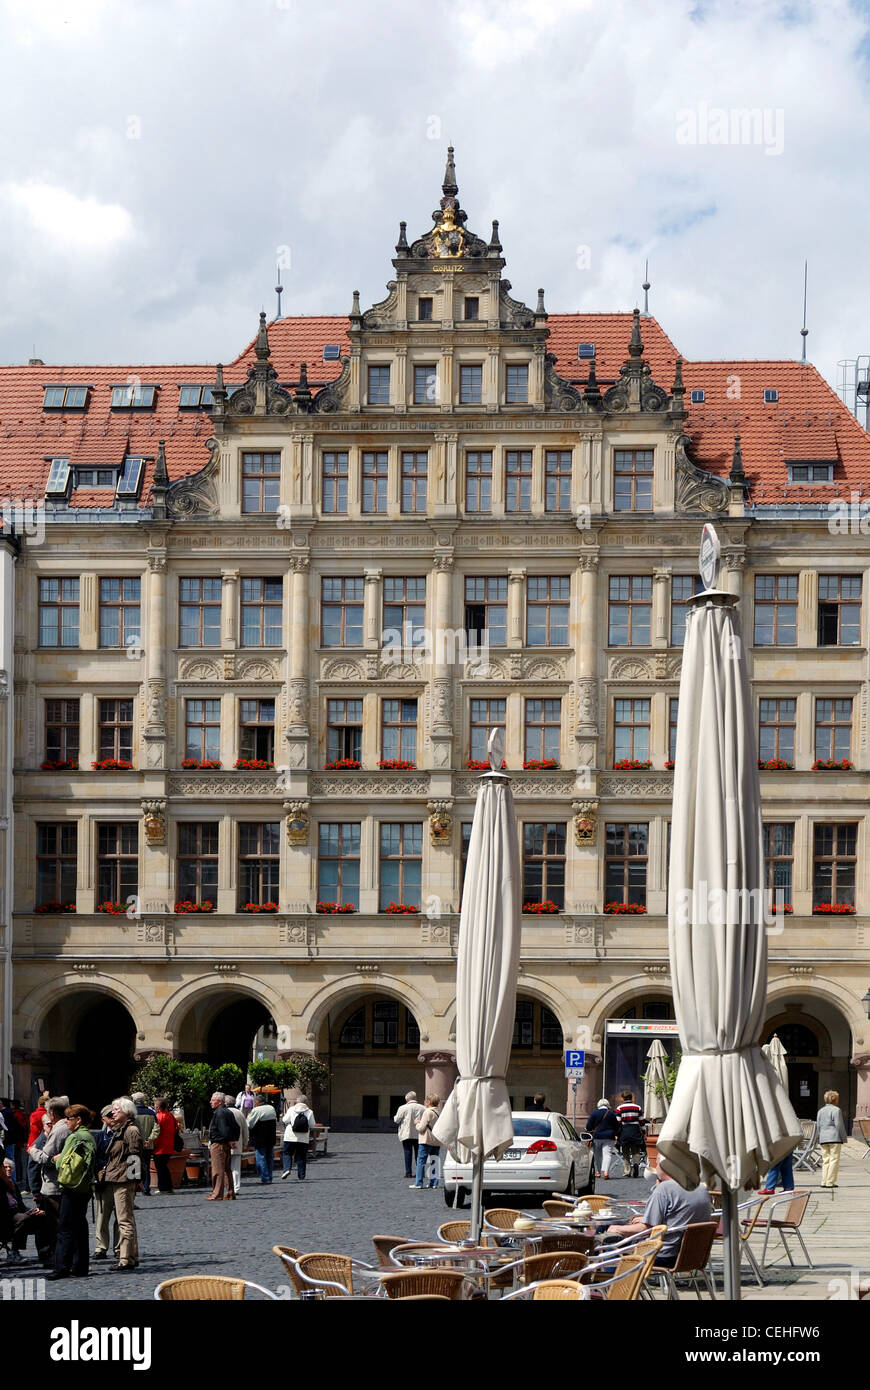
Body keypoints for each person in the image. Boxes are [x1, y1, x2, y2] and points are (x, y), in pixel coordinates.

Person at [606, 1154, 712, 1267]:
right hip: (692, 1255)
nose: (655, 1168)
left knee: (610, 1238)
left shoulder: (665, 1189)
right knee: (618, 1227)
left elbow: (647, 1227)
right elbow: (682, 1216)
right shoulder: (699, 1187)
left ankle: (613, 1282)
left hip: (663, 1254)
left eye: (657, 1164)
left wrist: (618, 1229)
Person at [47, 1104, 96, 1282]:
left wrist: (56, 1158)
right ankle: (80, 1266)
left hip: (71, 1187)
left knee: (65, 1228)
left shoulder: (75, 1137)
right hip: (84, 1187)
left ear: (78, 1120)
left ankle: (61, 1267)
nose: (66, 1121)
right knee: (80, 1228)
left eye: (69, 1118)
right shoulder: (89, 1137)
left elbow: (61, 1164)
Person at [101, 1097, 143, 1270]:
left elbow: (135, 1156)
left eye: (117, 1109)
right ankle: (131, 1256)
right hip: (117, 1177)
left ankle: (126, 1258)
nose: (113, 1112)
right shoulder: (121, 1129)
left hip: (123, 1179)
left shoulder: (131, 1130)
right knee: (125, 1219)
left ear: (127, 1111)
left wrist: (134, 1180)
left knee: (124, 1220)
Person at [1, 1156, 51, 1265]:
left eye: (10, 1167)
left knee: (41, 1216)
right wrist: (25, 1213)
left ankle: (45, 1253)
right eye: (5, 1167)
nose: (8, 1169)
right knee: (23, 1218)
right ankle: (14, 1251)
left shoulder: (13, 1185)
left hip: (17, 1214)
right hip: (6, 1218)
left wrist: (33, 1211)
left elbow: (22, 1206)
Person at [93, 1106, 119, 1261]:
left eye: (114, 1115)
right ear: (103, 1119)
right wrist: (102, 1168)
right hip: (103, 1181)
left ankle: (119, 1247)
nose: (113, 1118)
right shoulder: (99, 1137)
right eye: (110, 1116)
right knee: (102, 1216)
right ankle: (101, 1247)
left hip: (121, 1180)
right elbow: (94, 1158)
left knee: (121, 1217)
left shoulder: (123, 1134)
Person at [206, 1092, 239, 1201]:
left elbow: (223, 1129)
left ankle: (217, 1194)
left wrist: (229, 1139)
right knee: (226, 1170)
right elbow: (236, 1127)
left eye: (213, 1100)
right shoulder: (228, 1111)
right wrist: (233, 1139)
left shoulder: (219, 1113)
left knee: (217, 1170)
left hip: (218, 1144)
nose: (210, 1102)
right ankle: (230, 1193)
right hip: (226, 1144)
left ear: (219, 1101)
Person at [817, 1089, 848, 1189]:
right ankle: (830, 1182)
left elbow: (818, 1125)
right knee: (834, 1160)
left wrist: (819, 1137)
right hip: (834, 1138)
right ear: (835, 1100)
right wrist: (844, 1138)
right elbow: (839, 1125)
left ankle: (823, 1181)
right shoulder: (836, 1110)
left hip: (823, 1138)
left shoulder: (820, 1111)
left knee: (825, 1160)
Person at [281, 1095, 316, 1182]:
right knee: (301, 1156)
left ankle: (287, 1169)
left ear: (297, 1101)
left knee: (287, 1153)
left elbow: (284, 1120)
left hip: (290, 1136)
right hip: (303, 1138)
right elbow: (312, 1124)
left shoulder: (291, 1109)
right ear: (305, 1102)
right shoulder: (309, 1111)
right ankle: (301, 1176)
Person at [411, 1095, 442, 1189]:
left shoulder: (427, 1112)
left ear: (429, 1102)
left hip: (426, 1139)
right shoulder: (439, 1112)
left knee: (421, 1161)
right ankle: (434, 1183)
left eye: (426, 1100)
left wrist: (417, 1123)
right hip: (436, 1140)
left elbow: (421, 1128)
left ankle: (418, 1183)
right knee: (434, 1161)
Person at [615, 1090, 647, 1179]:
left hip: (624, 1130)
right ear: (631, 1097)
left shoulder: (619, 1108)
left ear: (623, 1098)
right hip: (635, 1130)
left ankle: (627, 1170)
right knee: (636, 1150)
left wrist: (617, 1134)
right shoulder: (638, 1108)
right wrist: (643, 1132)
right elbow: (642, 1121)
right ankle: (636, 1164)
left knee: (625, 1151)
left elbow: (618, 1122)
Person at [247, 1094, 278, 1184]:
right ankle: (270, 1177)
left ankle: (265, 1178)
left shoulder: (256, 1110)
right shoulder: (271, 1108)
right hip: (270, 1137)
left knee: (261, 1157)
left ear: (257, 1102)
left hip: (259, 1137)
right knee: (269, 1157)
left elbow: (249, 1124)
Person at [393, 1091, 424, 1179]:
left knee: (407, 1152)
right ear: (416, 1098)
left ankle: (408, 1173)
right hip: (419, 1133)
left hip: (407, 1133)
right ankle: (420, 1173)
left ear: (407, 1099)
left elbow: (397, 1120)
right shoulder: (423, 1108)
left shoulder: (402, 1108)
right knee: (419, 1154)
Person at [587, 1097, 620, 1180]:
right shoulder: (611, 1113)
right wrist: (615, 1133)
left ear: (599, 1105)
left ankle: (598, 1172)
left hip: (597, 1136)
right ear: (607, 1105)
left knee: (597, 1155)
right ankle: (606, 1172)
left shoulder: (594, 1113)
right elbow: (617, 1126)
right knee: (607, 1154)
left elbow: (588, 1127)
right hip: (609, 1137)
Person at [131, 1092, 157, 1196]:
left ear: (133, 1101)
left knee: (134, 1166)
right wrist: (149, 1139)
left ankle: (134, 1189)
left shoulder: (131, 1114)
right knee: (146, 1166)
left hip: (135, 1144)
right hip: (148, 1145)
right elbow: (156, 1129)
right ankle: (146, 1188)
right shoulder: (151, 1113)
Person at [152, 1097, 179, 1194]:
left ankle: (163, 1188)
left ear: (158, 1107)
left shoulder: (159, 1117)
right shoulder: (170, 1116)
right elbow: (176, 1128)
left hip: (160, 1146)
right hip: (169, 1145)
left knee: (160, 1168)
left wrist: (153, 1144)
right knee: (164, 1166)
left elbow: (157, 1132)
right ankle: (168, 1187)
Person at [226, 1095, 250, 1195]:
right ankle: (236, 1188)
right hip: (237, 1144)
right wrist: (245, 1144)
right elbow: (245, 1130)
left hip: (225, 1144)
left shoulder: (223, 1112)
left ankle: (227, 1187)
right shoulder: (239, 1113)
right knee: (236, 1168)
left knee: (225, 1167)